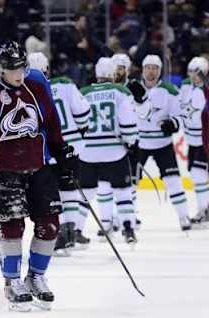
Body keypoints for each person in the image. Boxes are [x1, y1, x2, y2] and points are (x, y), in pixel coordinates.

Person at [0, 40, 77, 311]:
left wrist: (62, 150)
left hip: (38, 166)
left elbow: (50, 119)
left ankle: (36, 276)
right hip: (4, 170)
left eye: (21, 68)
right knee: (12, 227)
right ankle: (12, 281)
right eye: (12, 69)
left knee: (50, 225)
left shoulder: (36, 82)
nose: (18, 75)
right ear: (0, 69)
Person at [27, 52, 91, 255]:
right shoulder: (65, 84)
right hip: (70, 147)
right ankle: (70, 230)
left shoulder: (26, 91)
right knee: (69, 190)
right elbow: (83, 113)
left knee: (52, 192)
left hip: (46, 150)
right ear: (47, 69)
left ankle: (61, 233)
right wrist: (81, 130)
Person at [77, 57, 140, 245]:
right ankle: (128, 229)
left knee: (85, 195)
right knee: (123, 192)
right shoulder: (120, 91)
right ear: (112, 74)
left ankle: (75, 230)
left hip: (87, 152)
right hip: (114, 152)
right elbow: (128, 121)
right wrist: (130, 141)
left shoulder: (82, 92)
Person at [137, 55, 192, 231]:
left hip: (162, 143)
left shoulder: (170, 90)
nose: (151, 71)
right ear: (143, 69)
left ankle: (184, 217)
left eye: (155, 68)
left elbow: (180, 116)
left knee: (174, 180)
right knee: (127, 183)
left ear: (159, 71)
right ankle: (126, 219)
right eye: (148, 67)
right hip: (138, 143)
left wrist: (173, 124)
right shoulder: (133, 89)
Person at [179, 57, 209, 224]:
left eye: (197, 72)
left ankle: (204, 210)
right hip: (192, 139)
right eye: (190, 71)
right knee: (196, 173)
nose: (193, 75)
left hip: (204, 139)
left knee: (198, 174)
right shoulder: (185, 86)